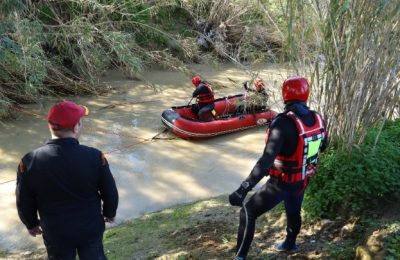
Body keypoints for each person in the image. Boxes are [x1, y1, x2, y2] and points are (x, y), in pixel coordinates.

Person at [229, 76, 328, 259]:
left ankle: (240, 257)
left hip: (281, 184)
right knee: (293, 210)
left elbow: (266, 161)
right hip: (302, 181)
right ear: (306, 94)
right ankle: (290, 244)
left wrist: (243, 188)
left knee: (247, 212)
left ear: (285, 95)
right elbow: (323, 146)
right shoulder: (318, 118)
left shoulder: (282, 122)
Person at [16, 100, 119, 260]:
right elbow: (109, 191)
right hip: (89, 226)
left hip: (55, 230)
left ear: (50, 125)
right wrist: (109, 212)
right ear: (76, 127)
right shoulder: (94, 156)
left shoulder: (29, 161)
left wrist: (31, 223)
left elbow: (24, 199)